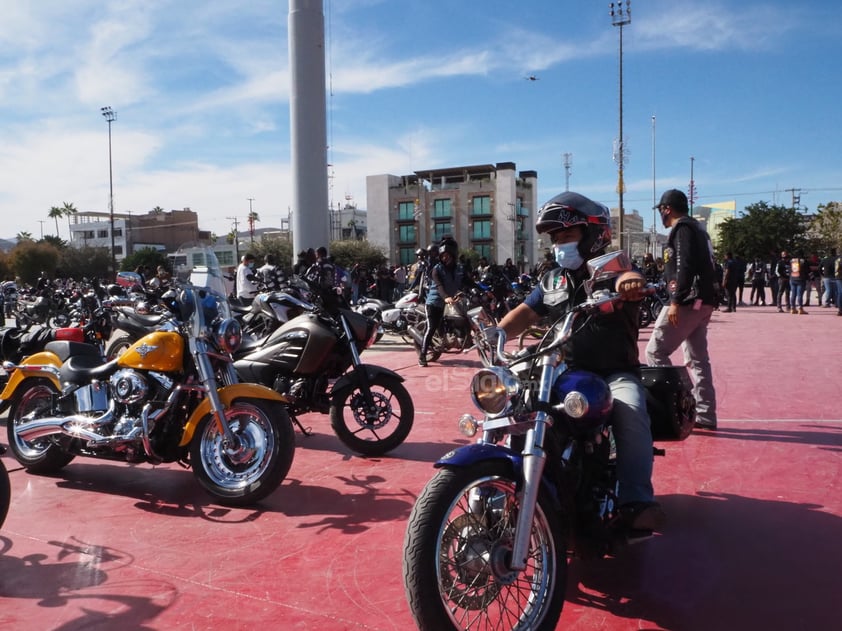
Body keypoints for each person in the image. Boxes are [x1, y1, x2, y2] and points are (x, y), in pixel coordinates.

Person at [493, 191, 662, 531]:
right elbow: (525, 313)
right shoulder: (553, 278)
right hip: (563, 370)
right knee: (516, 402)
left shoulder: (617, 268)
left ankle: (636, 500)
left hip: (614, 372)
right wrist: (494, 333)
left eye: (567, 236)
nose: (559, 244)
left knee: (630, 412)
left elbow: (634, 279)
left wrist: (631, 285)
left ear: (593, 234)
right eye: (555, 238)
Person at [645, 189, 719, 431]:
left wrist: (676, 300)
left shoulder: (683, 229)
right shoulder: (698, 229)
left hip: (687, 300)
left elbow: (684, 264)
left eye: (661, 211)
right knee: (698, 359)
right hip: (703, 301)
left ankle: (674, 405)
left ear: (667, 209)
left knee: (655, 351)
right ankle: (705, 413)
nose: (660, 216)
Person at [418, 237, 469, 367]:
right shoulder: (437, 269)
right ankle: (422, 356)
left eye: (447, 256)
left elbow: (467, 281)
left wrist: (483, 290)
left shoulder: (458, 269)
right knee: (431, 327)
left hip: (447, 304)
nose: (445, 258)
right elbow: (439, 286)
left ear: (453, 255)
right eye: (443, 256)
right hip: (433, 303)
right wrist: (446, 297)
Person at [788, 250, 808, 314]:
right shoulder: (803, 261)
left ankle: (792, 308)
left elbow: (789, 269)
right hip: (801, 279)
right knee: (800, 295)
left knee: (793, 294)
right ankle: (800, 308)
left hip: (792, 278)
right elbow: (807, 270)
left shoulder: (791, 261)